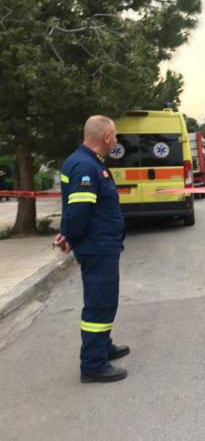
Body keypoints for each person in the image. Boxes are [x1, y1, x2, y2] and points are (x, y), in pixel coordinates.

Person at [54, 115, 129, 383]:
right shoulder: (86, 166)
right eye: (115, 135)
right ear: (106, 137)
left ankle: (103, 345)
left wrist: (67, 232)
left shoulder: (86, 162)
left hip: (101, 244)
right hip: (97, 247)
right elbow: (78, 210)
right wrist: (70, 236)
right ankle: (93, 364)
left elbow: (73, 207)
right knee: (99, 303)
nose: (116, 140)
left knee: (104, 301)